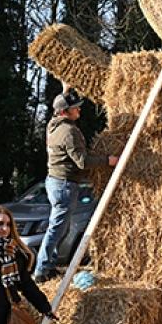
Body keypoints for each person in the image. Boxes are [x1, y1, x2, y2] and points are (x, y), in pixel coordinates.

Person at [35, 89, 118, 282]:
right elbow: (82, 162)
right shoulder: (68, 131)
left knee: (61, 227)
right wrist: (108, 161)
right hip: (64, 185)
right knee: (56, 228)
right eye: (74, 108)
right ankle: (41, 270)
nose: (79, 110)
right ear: (65, 112)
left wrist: (64, 90)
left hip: (55, 182)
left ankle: (49, 266)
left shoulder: (53, 125)